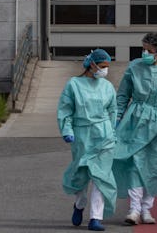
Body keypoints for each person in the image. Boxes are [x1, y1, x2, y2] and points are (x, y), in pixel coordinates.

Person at [113, 32, 157, 225]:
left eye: (149, 51)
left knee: (155, 164)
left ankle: (146, 208)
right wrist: (117, 116)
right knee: (135, 162)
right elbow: (123, 95)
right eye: (142, 49)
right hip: (134, 119)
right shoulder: (134, 67)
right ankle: (134, 209)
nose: (144, 53)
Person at [57, 48, 118, 231]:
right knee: (81, 177)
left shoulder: (107, 86)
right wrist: (67, 130)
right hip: (82, 136)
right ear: (91, 65)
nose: (104, 70)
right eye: (102, 66)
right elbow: (65, 110)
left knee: (101, 178)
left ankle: (95, 218)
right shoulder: (74, 85)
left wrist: (113, 132)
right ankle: (79, 204)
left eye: (107, 66)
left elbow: (113, 110)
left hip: (104, 137)